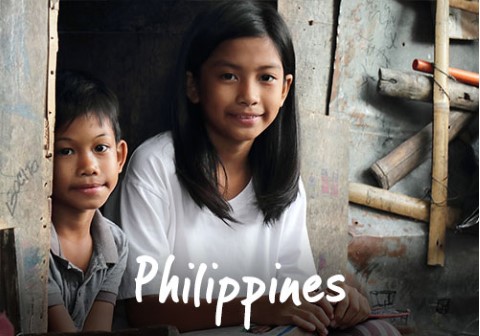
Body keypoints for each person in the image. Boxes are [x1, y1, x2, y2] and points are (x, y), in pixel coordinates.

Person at [116, 1, 399, 335]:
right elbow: (143, 309)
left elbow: (296, 294)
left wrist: (335, 301)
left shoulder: (283, 180)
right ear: (193, 86)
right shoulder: (156, 166)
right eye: (229, 76)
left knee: (376, 332)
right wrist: (256, 306)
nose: (248, 95)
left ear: (284, 89)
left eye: (266, 77)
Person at [48, 70, 128, 332]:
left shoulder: (115, 244)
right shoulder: (34, 247)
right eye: (66, 151)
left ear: (119, 157)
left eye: (100, 148)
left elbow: (98, 329)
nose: (89, 166)